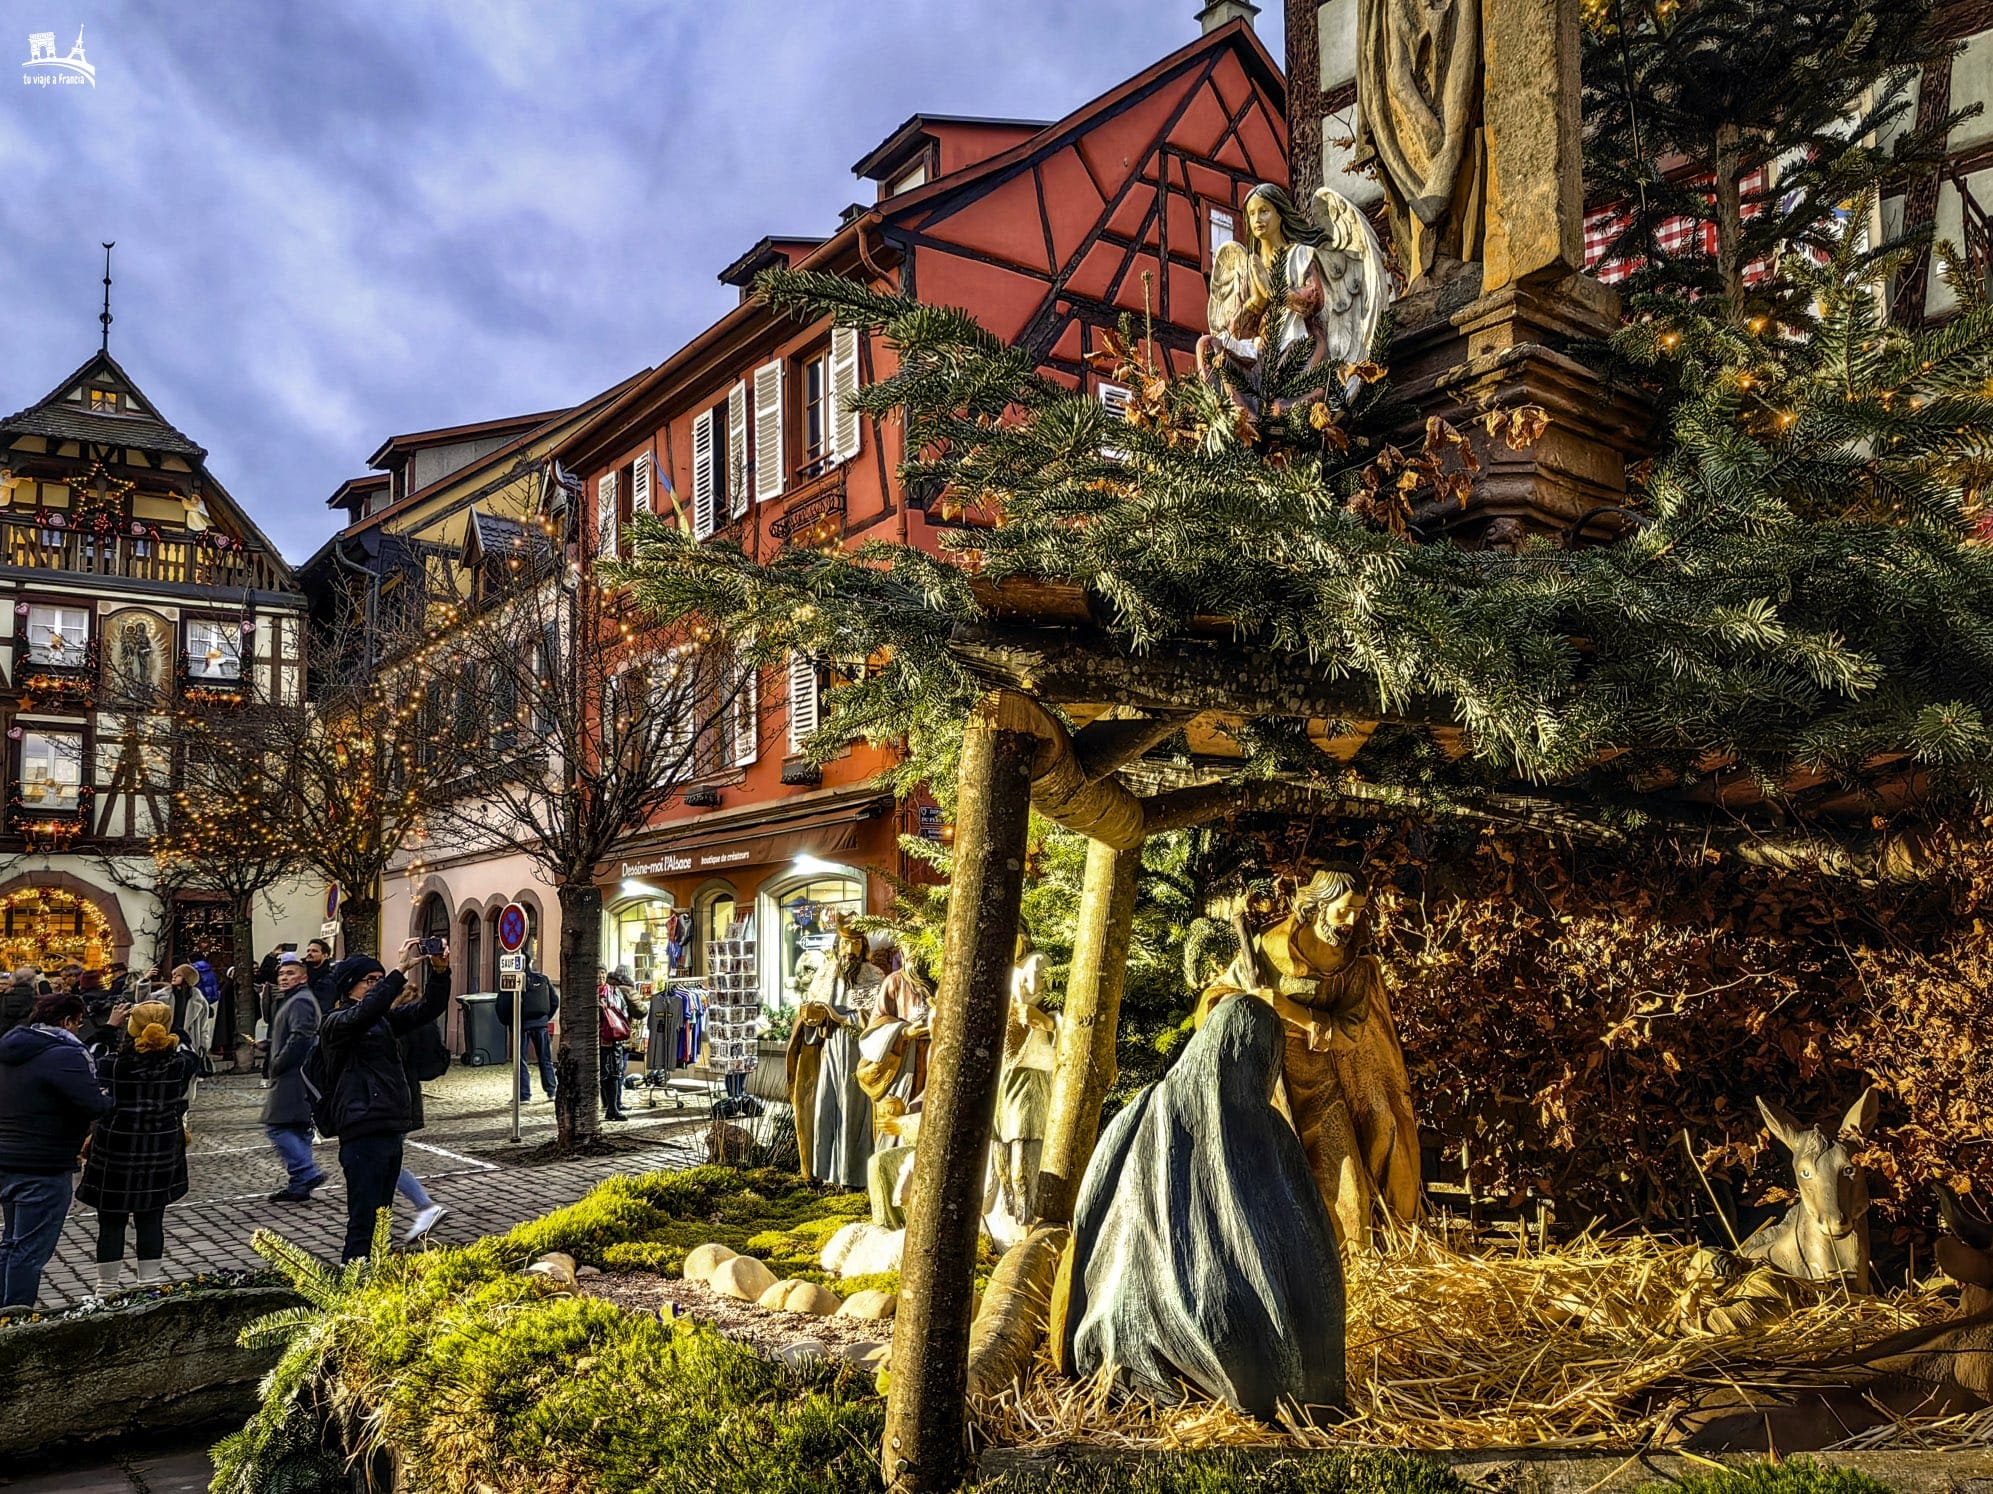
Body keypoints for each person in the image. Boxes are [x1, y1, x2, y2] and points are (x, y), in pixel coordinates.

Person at [316, 942, 451, 1262]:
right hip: (361, 1127)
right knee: (363, 1219)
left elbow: (428, 1009)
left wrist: (440, 971)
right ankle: (354, 1277)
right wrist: (398, 971)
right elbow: (363, 1014)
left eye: (380, 979)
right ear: (350, 986)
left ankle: (374, 1274)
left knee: (382, 1218)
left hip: (389, 1124)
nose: (377, 985)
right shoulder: (336, 1022)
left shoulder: (384, 1021)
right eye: (370, 980)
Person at [75, 1000, 199, 1301]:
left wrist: (110, 1027)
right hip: (161, 1147)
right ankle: (149, 1284)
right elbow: (187, 1046)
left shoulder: (112, 1064)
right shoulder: (181, 1064)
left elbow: (88, 1053)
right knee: (151, 1219)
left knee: (111, 1221)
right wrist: (164, 1021)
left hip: (115, 1148)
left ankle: (105, 1288)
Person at [0, 993, 114, 1308]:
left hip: (7, 1157)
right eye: (78, 1023)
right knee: (29, 1250)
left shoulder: (9, 1049)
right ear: (66, 1022)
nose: (79, 1029)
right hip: (44, 1162)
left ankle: (4, 1309)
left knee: (11, 1242)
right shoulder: (64, 1055)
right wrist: (110, 1097)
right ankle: (16, 1318)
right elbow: (93, 1104)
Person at [389, 980, 449, 1241]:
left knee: (385, 1162)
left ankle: (426, 1206)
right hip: (406, 1096)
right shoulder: (419, 1020)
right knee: (384, 1161)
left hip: (395, 1099)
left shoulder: (398, 1023)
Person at [261, 955, 325, 1203]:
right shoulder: (293, 1000)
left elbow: (301, 1037)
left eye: (290, 973)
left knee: (277, 1126)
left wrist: (278, 1062)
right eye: (281, 974)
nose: (284, 978)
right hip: (293, 1073)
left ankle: (307, 1172)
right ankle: (299, 1185)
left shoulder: (301, 1001)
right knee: (298, 1129)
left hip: (294, 1075)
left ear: (303, 977)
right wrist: (270, 1044)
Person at [496, 958, 559, 1103]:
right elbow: (554, 1001)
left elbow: (502, 1005)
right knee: (545, 1059)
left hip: (521, 1025)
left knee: (520, 1060)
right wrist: (544, 1018)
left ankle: (524, 1095)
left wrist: (509, 1022)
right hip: (541, 1025)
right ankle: (551, 1091)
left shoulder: (511, 980)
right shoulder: (542, 979)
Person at [598, 971, 633, 1122]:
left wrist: (611, 1011)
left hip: (614, 1039)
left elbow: (623, 1011)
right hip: (597, 1040)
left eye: (602, 974)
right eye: (597, 974)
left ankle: (613, 1108)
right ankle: (607, 1105)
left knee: (614, 1073)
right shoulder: (588, 994)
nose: (600, 978)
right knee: (603, 1074)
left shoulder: (614, 992)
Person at [301, 938, 337, 1018]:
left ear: (325, 956)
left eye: (314, 951)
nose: (309, 953)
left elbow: (322, 1009)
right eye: (308, 951)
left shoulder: (327, 980)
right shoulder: (302, 973)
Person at [0, 969, 40, 1039]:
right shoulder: (38, 999)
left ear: (13, 980)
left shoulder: (6, 998)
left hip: (7, 1037)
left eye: (4, 984)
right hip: (30, 1037)